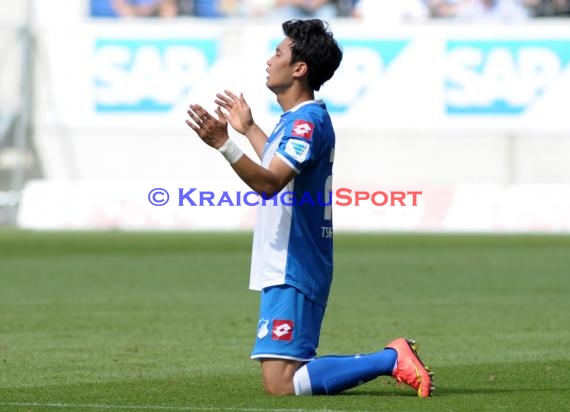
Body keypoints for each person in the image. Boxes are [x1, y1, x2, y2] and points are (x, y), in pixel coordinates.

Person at [185, 19, 434, 397]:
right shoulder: (297, 121)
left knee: (283, 383)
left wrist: (224, 144)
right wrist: (249, 129)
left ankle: (390, 359)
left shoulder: (308, 122)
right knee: (281, 380)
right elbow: (277, 167)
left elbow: (269, 183)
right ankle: (389, 358)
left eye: (279, 52)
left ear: (299, 68)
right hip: (288, 259)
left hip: (294, 261)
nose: (270, 60)